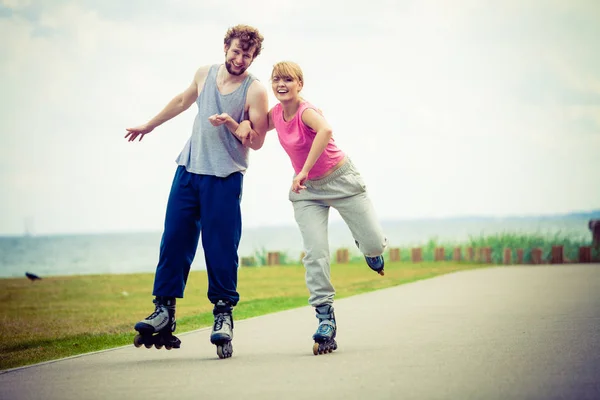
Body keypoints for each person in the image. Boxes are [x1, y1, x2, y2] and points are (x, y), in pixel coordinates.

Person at [125, 24, 269, 359]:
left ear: (253, 57)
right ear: (225, 47)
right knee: (174, 239)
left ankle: (223, 314)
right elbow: (181, 100)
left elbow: (258, 140)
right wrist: (149, 124)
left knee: (220, 248)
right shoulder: (205, 73)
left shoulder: (256, 90)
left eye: (247, 55)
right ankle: (164, 310)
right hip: (188, 170)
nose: (240, 59)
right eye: (235, 51)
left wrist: (236, 125)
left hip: (224, 176)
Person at [238, 61, 388, 355]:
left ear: (299, 85)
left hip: (341, 179)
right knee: (315, 252)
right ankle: (324, 316)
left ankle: (369, 247)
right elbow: (255, 137)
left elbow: (326, 131)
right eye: (276, 80)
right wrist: (239, 123)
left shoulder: (307, 111)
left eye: (288, 80)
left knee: (373, 243)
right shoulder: (276, 114)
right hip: (307, 192)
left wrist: (304, 169)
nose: (281, 85)